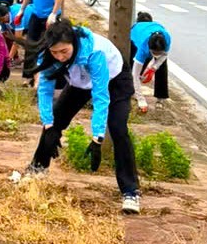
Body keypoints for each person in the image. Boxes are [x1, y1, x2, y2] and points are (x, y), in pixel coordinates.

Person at [27, 19, 141, 214]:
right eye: (55, 52)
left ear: (73, 43)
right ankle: (37, 169)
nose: (60, 57)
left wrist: (97, 137)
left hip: (114, 80)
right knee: (55, 120)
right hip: (80, 81)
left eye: (64, 51)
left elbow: (100, 96)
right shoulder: (48, 54)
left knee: (118, 128)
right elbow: (45, 90)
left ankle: (130, 191)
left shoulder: (94, 52)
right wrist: (48, 123)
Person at [129, 12, 171, 113]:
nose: (156, 56)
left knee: (162, 68)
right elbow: (135, 74)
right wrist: (141, 99)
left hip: (155, 30)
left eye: (159, 53)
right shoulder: (142, 46)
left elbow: (164, 55)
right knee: (132, 66)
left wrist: (154, 68)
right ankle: (131, 91)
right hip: (137, 35)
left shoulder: (167, 39)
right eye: (154, 53)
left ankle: (160, 97)